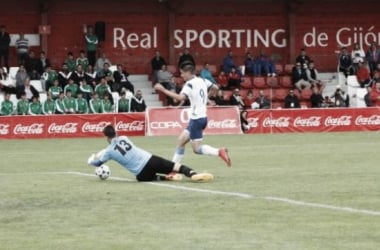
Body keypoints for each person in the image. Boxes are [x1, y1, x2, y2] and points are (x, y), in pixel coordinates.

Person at [154, 61, 231, 167]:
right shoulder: (203, 80)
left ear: (189, 72)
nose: (181, 75)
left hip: (197, 120)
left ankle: (219, 151)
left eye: (182, 73)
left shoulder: (189, 84)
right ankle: (173, 169)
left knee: (197, 149)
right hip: (200, 118)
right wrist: (206, 99)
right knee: (181, 140)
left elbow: (180, 98)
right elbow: (216, 88)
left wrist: (163, 89)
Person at [88, 125, 213, 182]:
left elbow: (98, 163)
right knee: (175, 166)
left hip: (142, 174)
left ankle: (166, 177)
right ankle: (192, 174)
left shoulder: (109, 152)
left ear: (106, 136)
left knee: (141, 178)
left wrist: (91, 161)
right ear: (115, 132)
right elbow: (118, 144)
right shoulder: (124, 138)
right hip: (149, 159)